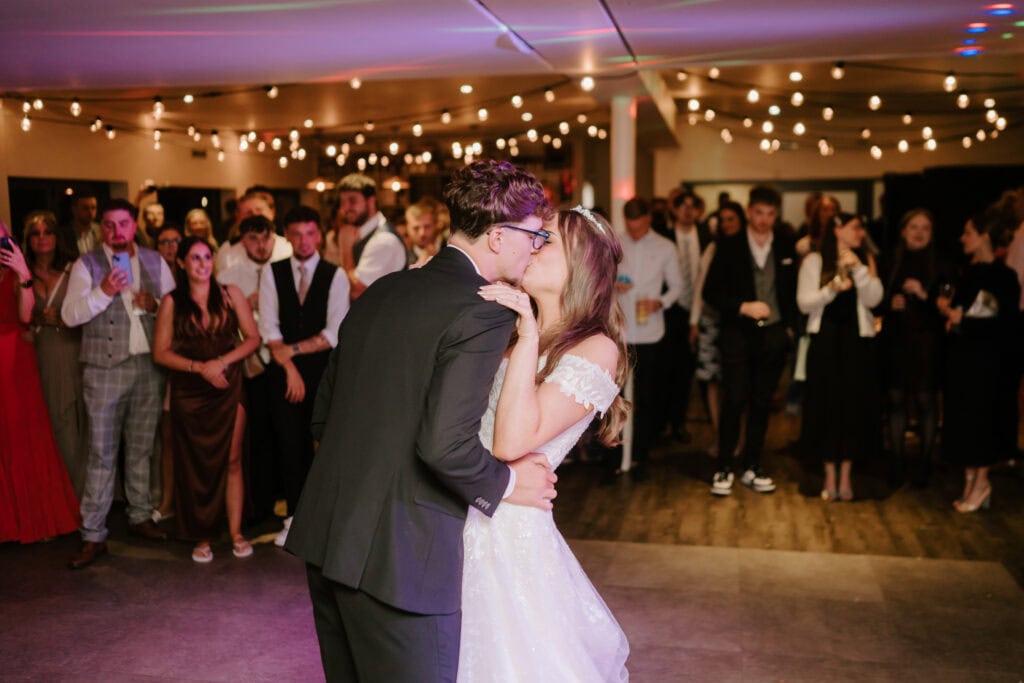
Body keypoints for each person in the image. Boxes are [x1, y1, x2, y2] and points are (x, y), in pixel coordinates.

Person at [285, 160, 558, 682]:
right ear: (499, 237)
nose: (537, 245)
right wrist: (507, 481)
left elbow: (323, 419)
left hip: (326, 538)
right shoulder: (484, 310)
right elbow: (444, 447)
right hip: (401, 561)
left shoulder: (384, 289)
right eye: (534, 234)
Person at [461, 206, 630, 681]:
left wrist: (530, 333)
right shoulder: (508, 328)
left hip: (507, 532)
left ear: (584, 264)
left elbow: (511, 441)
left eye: (546, 240)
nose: (531, 246)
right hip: (462, 508)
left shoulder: (596, 348)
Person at [62, 198, 175, 569]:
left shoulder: (156, 261)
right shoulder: (87, 264)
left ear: (134, 225)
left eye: (123, 224)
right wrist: (104, 291)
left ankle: (140, 514)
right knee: (101, 453)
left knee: (142, 447)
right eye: (109, 225)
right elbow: (69, 315)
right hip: (104, 371)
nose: (116, 232)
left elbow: (176, 308)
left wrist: (156, 305)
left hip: (148, 367)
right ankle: (93, 533)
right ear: (101, 228)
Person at [153, 237, 260, 562]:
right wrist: (199, 367)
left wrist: (222, 363)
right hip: (190, 391)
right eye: (195, 258)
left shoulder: (231, 294)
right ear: (182, 263)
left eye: (207, 257)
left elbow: (253, 338)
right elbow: (160, 352)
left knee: (232, 460)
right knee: (194, 464)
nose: (203, 264)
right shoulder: (172, 301)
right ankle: (201, 536)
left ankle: (237, 531)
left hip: (228, 385)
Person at [259, 206, 350, 548]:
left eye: (310, 233)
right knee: (289, 446)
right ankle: (294, 517)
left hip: (323, 373)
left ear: (319, 235)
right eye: (296, 234)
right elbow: (268, 326)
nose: (304, 241)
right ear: (287, 236)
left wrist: (292, 354)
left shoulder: (335, 275)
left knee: (325, 447)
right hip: (283, 374)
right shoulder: (273, 272)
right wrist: (289, 368)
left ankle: (324, 519)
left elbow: (334, 332)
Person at [703, 185, 798, 496]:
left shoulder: (785, 245)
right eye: (759, 213)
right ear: (749, 212)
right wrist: (742, 307)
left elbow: (792, 291)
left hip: (773, 335)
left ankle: (753, 465)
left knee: (761, 403)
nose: (764, 220)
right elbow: (710, 293)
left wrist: (789, 328)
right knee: (735, 399)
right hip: (737, 335)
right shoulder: (728, 246)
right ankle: (725, 466)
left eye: (770, 214)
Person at [0, 219, 81, 543]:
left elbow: (24, 315)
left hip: (13, 356)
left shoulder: (19, 271)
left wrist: (22, 274)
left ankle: (32, 518)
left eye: (2, 238)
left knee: (22, 434)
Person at [938, 205, 1020, 513]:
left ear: (984, 236)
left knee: (982, 421)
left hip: (988, 361)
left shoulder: (1005, 277)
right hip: (962, 357)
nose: (962, 239)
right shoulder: (967, 272)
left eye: (968, 233)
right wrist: (949, 314)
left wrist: (964, 320)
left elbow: (1008, 323)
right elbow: (958, 311)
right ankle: (970, 479)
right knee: (963, 420)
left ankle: (981, 482)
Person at [797, 214, 883, 501]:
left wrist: (858, 269)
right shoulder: (814, 261)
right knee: (826, 406)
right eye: (855, 227)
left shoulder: (865, 259)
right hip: (825, 342)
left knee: (852, 408)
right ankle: (828, 472)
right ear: (837, 230)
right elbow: (804, 303)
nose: (860, 232)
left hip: (856, 344)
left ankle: (846, 472)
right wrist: (831, 289)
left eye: (861, 227)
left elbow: (875, 299)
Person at [217, 214, 289, 525]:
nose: (260, 246)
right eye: (253, 239)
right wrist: (244, 305)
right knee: (256, 434)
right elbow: (220, 324)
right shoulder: (229, 275)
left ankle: (284, 501)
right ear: (242, 240)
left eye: (265, 239)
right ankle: (258, 504)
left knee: (283, 432)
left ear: (273, 238)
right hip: (249, 361)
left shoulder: (285, 265)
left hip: (282, 356)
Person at [616, 197, 683, 481]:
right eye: (630, 228)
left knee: (645, 399)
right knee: (614, 399)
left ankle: (640, 456)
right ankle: (614, 457)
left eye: (639, 228)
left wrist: (661, 302)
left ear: (648, 221)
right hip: (618, 331)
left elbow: (678, 286)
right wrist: (612, 284)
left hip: (650, 332)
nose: (634, 233)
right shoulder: (615, 244)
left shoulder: (665, 247)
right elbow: (599, 278)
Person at [879, 209, 945, 488]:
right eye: (914, 227)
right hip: (895, 340)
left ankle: (926, 462)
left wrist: (923, 294)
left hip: (926, 342)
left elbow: (947, 307)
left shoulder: (941, 264)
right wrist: (888, 305)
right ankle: (896, 461)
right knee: (895, 400)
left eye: (925, 228)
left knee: (925, 400)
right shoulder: (889, 261)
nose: (919, 232)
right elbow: (874, 298)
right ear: (903, 231)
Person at [689, 201, 746, 457]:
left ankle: (739, 438)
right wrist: (694, 321)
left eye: (731, 219)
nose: (726, 224)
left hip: (739, 321)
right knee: (712, 380)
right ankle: (719, 434)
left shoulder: (748, 246)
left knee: (737, 385)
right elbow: (702, 287)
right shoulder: (713, 248)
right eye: (722, 220)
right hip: (711, 320)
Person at [323, 173, 407, 299]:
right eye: (342, 202)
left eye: (352, 201)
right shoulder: (364, 233)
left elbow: (356, 292)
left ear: (371, 201)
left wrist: (345, 249)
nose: (345, 208)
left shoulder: (384, 240)